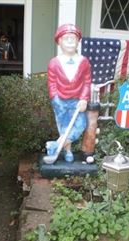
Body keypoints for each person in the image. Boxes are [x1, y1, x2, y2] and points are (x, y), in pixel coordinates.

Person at [47, 24, 91, 162]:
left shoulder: (84, 62)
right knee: (64, 127)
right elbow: (52, 83)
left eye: (74, 38)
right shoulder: (54, 62)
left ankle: (54, 145)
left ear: (78, 41)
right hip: (60, 100)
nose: (70, 41)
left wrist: (84, 98)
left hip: (77, 100)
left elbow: (87, 82)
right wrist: (55, 99)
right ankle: (67, 151)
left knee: (80, 125)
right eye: (66, 38)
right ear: (59, 41)